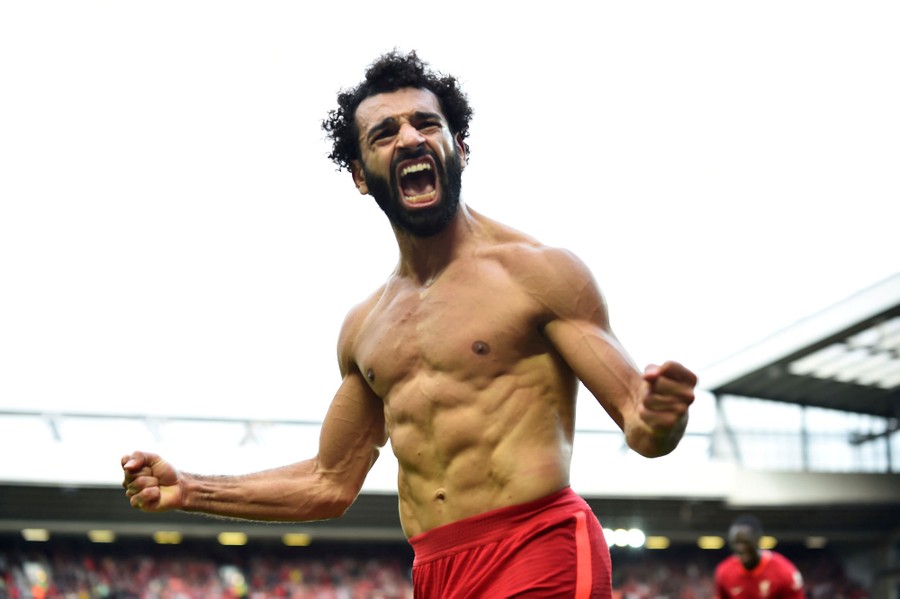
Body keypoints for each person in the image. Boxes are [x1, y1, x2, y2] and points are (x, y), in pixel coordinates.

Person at [121, 50, 698, 598]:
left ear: (459, 148)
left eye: (426, 123)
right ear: (360, 174)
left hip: (539, 546)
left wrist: (659, 417)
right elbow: (329, 483)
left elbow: (641, 427)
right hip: (436, 569)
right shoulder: (365, 328)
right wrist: (191, 488)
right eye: (384, 132)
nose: (410, 138)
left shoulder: (539, 274)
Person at [715, 514, 805, 599]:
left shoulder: (785, 572)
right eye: (735, 543)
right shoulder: (724, 572)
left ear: (758, 540)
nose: (740, 548)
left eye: (745, 542)